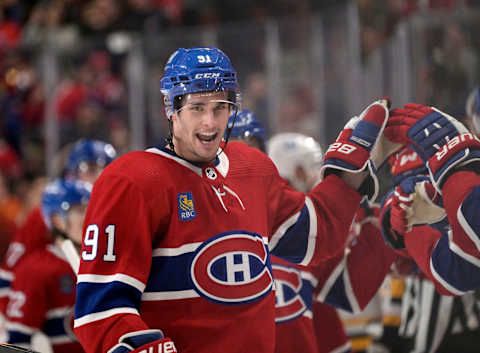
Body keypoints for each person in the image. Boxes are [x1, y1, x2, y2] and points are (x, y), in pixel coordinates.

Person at [73, 47, 393, 353]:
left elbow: (313, 235)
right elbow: (100, 311)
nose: (210, 123)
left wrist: (349, 179)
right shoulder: (130, 181)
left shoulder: (251, 167)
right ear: (171, 109)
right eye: (197, 108)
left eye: (220, 107)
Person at [0, 139, 116, 328]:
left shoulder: (118, 210)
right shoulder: (44, 215)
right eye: (91, 170)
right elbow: (7, 276)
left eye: (107, 170)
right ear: (71, 175)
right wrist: (15, 322)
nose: (100, 178)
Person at [5, 179, 91, 352]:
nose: (91, 217)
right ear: (57, 220)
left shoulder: (106, 263)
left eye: (93, 209)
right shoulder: (34, 271)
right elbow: (17, 342)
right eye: (81, 210)